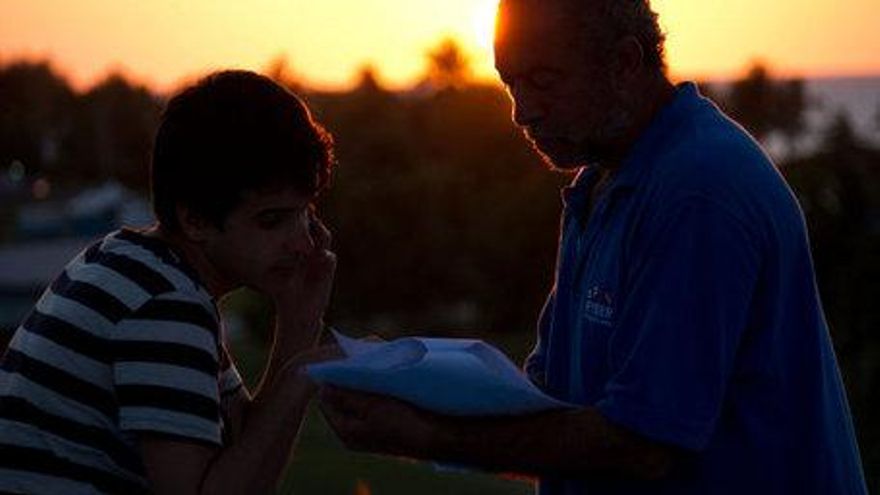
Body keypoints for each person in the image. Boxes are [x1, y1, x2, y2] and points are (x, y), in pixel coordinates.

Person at [317, 0, 869, 493]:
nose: (522, 111)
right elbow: (550, 410)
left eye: (545, 80)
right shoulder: (602, 185)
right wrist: (409, 386)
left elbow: (644, 444)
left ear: (625, 64)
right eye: (511, 83)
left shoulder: (699, 191)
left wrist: (426, 436)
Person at [0, 70, 338, 494]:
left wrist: (299, 325)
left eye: (306, 212)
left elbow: (243, 456)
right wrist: (299, 377)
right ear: (194, 218)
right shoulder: (162, 304)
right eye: (272, 220)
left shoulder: (138, 266)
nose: (304, 243)